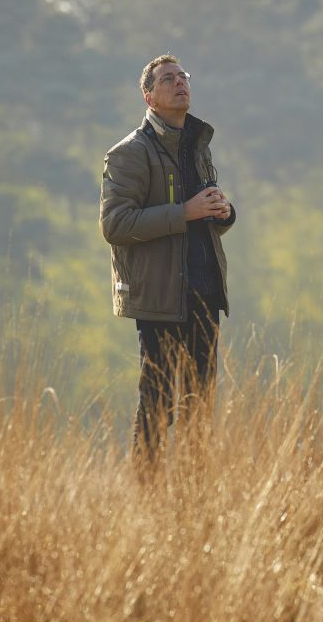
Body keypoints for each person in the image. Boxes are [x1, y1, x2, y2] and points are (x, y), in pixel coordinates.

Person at [100, 54, 235, 459]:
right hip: (160, 301)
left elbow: (203, 216)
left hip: (205, 296)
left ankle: (193, 504)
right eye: (167, 79)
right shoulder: (128, 153)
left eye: (183, 77)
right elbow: (114, 225)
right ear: (149, 97)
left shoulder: (197, 144)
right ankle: (146, 502)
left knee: (200, 408)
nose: (180, 83)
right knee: (156, 407)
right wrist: (186, 212)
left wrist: (222, 213)